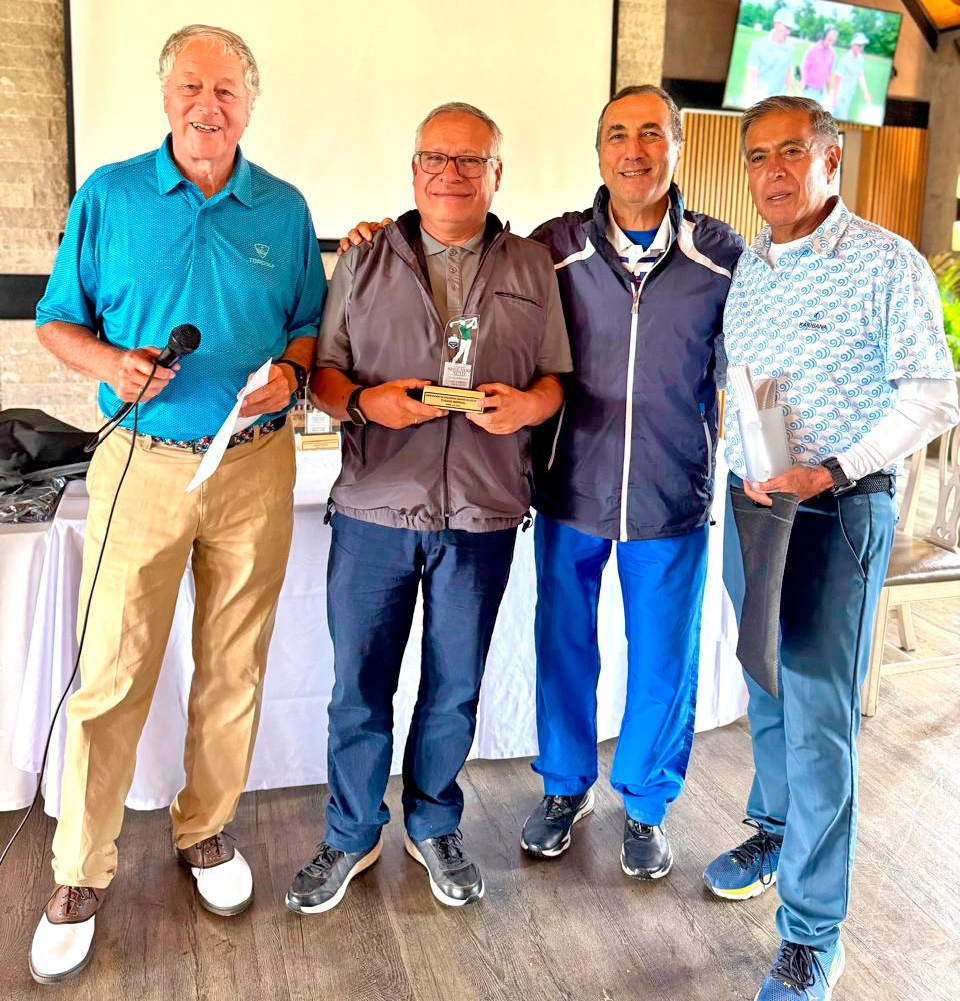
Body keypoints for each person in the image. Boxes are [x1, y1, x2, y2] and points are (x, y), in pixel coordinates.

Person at [338, 85, 743, 882]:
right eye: (617, 134)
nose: (634, 150)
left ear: (677, 145)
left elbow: (748, 364)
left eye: (651, 134)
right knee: (564, 646)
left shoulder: (719, 254)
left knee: (664, 656)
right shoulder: (553, 246)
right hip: (569, 487)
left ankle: (647, 805)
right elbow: (460, 253)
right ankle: (565, 787)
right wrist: (374, 236)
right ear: (599, 151)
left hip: (671, 493)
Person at [28, 24, 326, 984]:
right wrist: (111, 362)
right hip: (139, 465)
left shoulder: (283, 208)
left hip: (254, 463)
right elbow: (56, 320)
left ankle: (205, 829)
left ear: (250, 103)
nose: (209, 105)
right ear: (166, 98)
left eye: (228, 90)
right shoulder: (110, 195)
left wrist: (293, 375)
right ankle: (79, 872)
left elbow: (308, 327)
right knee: (112, 672)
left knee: (233, 663)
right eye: (193, 87)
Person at [284, 102, 571, 915]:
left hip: (481, 515)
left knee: (455, 687)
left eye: (471, 160)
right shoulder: (363, 257)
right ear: (414, 171)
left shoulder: (533, 265)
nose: (452, 173)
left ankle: (434, 824)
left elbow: (556, 378)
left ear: (496, 174)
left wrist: (529, 406)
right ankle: (351, 832)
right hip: (375, 509)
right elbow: (324, 378)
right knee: (359, 686)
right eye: (436, 158)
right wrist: (367, 401)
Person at [703, 96, 958, 1001]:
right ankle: (774, 831)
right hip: (755, 508)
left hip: (837, 513)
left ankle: (813, 934)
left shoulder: (887, 264)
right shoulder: (752, 267)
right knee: (766, 685)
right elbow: (747, 386)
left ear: (831, 159)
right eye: (758, 155)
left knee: (819, 723)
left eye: (791, 152)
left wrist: (832, 468)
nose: (773, 171)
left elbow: (933, 394)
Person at [743, 8, 797, 104]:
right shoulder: (758, 45)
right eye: (786, 27)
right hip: (761, 97)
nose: (788, 32)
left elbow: (788, 71)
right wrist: (750, 100)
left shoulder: (790, 47)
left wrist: (790, 95)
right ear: (776, 24)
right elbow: (751, 75)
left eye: (790, 29)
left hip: (781, 99)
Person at [832, 33, 872, 121]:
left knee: (836, 119)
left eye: (862, 45)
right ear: (853, 45)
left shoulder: (860, 59)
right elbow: (837, 79)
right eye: (859, 45)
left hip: (850, 94)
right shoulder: (844, 59)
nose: (861, 48)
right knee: (842, 118)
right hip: (841, 95)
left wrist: (866, 93)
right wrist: (835, 98)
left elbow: (860, 75)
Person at [800, 26, 838, 105]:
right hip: (808, 90)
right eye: (829, 40)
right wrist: (803, 81)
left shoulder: (832, 54)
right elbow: (804, 67)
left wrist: (829, 92)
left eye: (833, 41)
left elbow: (829, 74)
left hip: (820, 92)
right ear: (824, 36)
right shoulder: (813, 49)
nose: (830, 43)